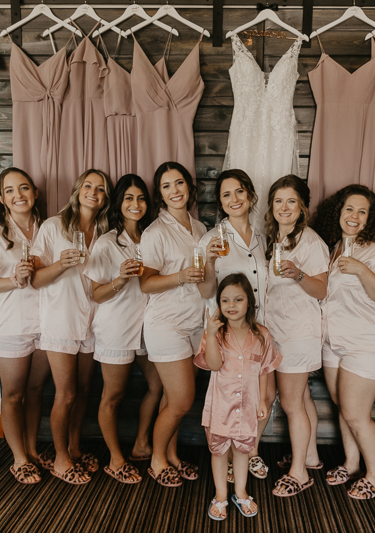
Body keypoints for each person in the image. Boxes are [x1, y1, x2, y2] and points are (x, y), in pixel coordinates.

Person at [313, 185, 375, 500]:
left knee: (356, 413)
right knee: (343, 407)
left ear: (370, 218)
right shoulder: (333, 247)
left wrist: (361, 270)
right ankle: (351, 463)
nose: (355, 216)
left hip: (366, 343)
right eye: (350, 209)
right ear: (339, 211)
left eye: (363, 211)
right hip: (333, 341)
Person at [31, 169, 112, 485]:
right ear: (78, 190)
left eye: (100, 188)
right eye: (88, 185)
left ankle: (75, 447)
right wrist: (60, 265)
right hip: (61, 320)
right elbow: (36, 279)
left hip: (93, 320)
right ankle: (61, 457)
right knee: (64, 393)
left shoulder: (104, 231)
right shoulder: (53, 227)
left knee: (83, 391)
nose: (94, 191)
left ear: (105, 198)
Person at [83, 174, 162, 484]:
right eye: (128, 198)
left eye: (141, 198)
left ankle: (142, 442)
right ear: (119, 203)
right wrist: (120, 278)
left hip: (150, 324)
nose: (136, 204)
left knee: (158, 386)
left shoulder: (154, 236)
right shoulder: (107, 242)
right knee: (112, 396)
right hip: (116, 326)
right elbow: (96, 293)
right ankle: (115, 458)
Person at [197, 169, 273, 480]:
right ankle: (226, 458)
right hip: (227, 333)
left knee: (263, 397)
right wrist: (210, 263)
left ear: (251, 196)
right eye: (226, 194)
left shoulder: (262, 238)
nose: (234, 199)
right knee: (228, 399)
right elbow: (204, 292)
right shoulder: (211, 240)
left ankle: (249, 450)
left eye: (239, 192)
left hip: (258, 329)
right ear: (220, 202)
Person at [0, 168, 46, 485]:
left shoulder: (48, 229)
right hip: (10, 324)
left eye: (25, 188)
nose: (19, 195)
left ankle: (30, 449)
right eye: (11, 190)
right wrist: (11, 280)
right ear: (1, 198)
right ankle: (18, 457)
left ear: (35, 193)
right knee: (14, 394)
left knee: (36, 389)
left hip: (47, 323)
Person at [139, 162, 207, 487]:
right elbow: (145, 284)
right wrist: (180, 276)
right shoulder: (155, 232)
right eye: (166, 186)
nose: (174, 190)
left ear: (188, 187)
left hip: (196, 323)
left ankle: (173, 455)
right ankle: (156, 459)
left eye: (179, 183)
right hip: (166, 325)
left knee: (171, 399)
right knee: (181, 400)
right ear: (160, 194)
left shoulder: (202, 228)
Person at [264, 175, 329, 497]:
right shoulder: (275, 238)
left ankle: (299, 472)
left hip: (298, 331)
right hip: (278, 329)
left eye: (291, 201)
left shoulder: (311, 241)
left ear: (302, 206)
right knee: (301, 398)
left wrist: (299, 274)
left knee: (290, 402)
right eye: (278, 201)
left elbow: (322, 288)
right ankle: (312, 455)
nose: (284, 207)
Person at [197, 274, 281, 521]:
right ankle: (221, 494)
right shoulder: (216, 333)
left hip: (248, 404)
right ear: (219, 305)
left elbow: (264, 369)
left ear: (249, 303)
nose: (231, 305)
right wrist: (211, 334)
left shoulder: (262, 334)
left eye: (238, 299)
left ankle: (241, 491)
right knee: (220, 451)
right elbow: (213, 364)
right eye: (225, 300)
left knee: (244, 450)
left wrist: (264, 401)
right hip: (221, 404)